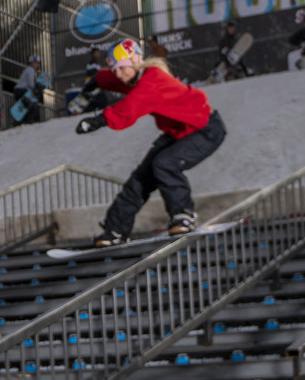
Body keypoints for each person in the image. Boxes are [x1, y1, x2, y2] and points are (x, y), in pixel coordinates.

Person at [74, 38, 226, 245]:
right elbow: (117, 79)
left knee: (165, 163)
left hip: (205, 128)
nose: (119, 75)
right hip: (178, 132)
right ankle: (115, 230)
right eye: (115, 70)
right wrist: (98, 80)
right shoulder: (137, 77)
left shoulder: (152, 80)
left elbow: (130, 107)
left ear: (135, 62)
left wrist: (98, 120)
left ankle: (183, 215)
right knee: (140, 179)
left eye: (121, 68)